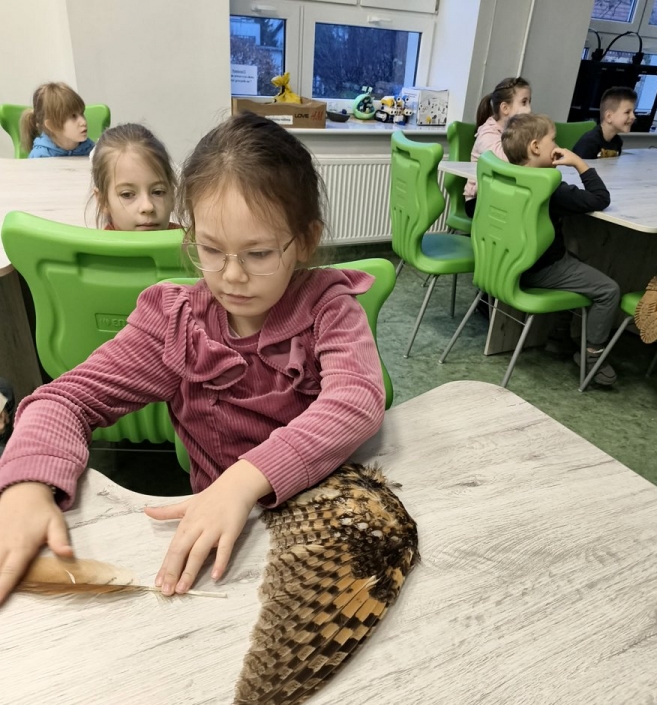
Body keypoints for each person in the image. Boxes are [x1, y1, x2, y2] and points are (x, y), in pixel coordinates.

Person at [0, 111, 386, 604]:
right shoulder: (177, 323)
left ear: (305, 241)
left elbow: (356, 400)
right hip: (228, 542)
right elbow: (64, 400)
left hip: (333, 522)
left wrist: (243, 481)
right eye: (210, 249)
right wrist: (28, 485)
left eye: (259, 254)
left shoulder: (329, 307)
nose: (232, 276)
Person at [501, 113, 621, 386]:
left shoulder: (504, 175)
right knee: (608, 290)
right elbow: (600, 198)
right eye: (553, 140)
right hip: (541, 269)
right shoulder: (549, 188)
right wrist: (579, 162)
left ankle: (558, 335)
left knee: (575, 255)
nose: (557, 145)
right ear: (535, 147)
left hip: (507, 264)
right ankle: (592, 356)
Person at [463, 76, 532, 218]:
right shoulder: (487, 133)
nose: (529, 109)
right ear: (505, 108)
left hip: (505, 193)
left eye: (529, 102)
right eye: (524, 102)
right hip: (479, 199)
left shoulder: (517, 132)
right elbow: (505, 160)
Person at [90, 123, 180, 231]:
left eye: (158, 192)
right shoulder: (94, 244)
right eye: (127, 194)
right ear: (103, 201)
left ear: (172, 197)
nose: (148, 207)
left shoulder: (192, 240)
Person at [20, 82, 95, 159]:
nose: (83, 122)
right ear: (52, 125)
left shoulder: (91, 149)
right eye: (73, 116)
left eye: (82, 113)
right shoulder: (40, 157)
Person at [572, 86, 637, 159]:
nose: (633, 117)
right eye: (627, 112)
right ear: (609, 116)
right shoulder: (589, 142)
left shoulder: (617, 142)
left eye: (633, 112)